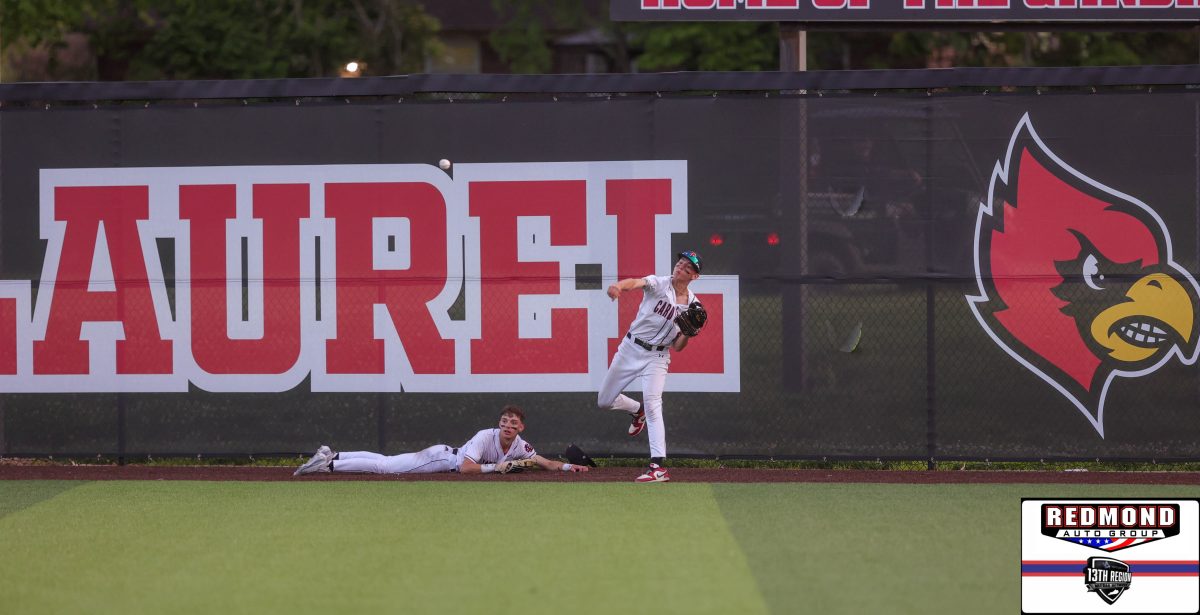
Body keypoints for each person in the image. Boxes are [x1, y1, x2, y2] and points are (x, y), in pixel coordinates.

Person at [597, 250, 702, 483]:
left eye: (687, 267)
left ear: (694, 276)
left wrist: (689, 333)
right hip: (630, 348)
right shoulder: (659, 283)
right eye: (680, 263)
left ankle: (658, 467)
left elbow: (678, 346)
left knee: (654, 404)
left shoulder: (694, 307)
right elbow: (636, 282)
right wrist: (618, 286)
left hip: (658, 356)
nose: (681, 267)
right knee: (604, 401)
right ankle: (637, 410)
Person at [293, 405, 589, 476]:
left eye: (514, 423)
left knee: (385, 460)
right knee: (385, 467)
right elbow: (467, 468)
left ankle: (334, 455)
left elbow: (540, 461)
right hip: (442, 459)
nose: (508, 425)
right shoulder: (485, 436)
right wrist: (496, 468)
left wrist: (567, 467)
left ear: (520, 427)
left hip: (443, 457)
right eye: (505, 421)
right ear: (499, 423)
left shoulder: (519, 445)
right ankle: (328, 465)